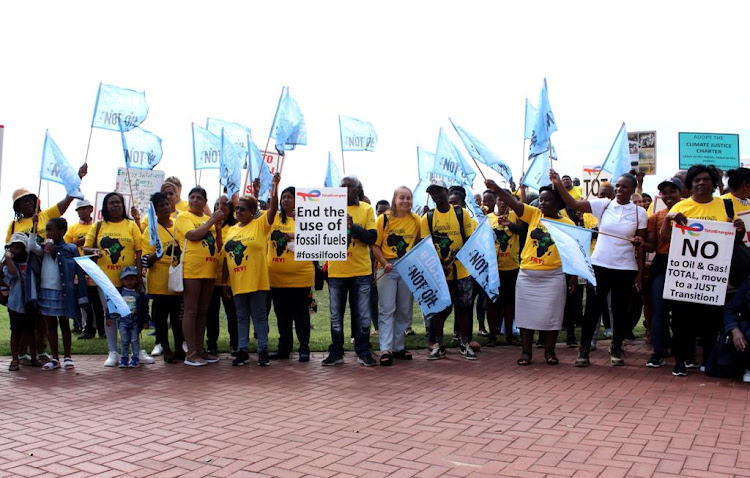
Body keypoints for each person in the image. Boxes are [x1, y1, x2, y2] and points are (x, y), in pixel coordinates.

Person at [551, 169, 647, 367]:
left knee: (620, 311)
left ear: (632, 190)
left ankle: (616, 348)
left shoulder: (640, 212)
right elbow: (574, 204)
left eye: (624, 187)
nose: (619, 189)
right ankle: (584, 350)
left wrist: (639, 272)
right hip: (600, 265)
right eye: (617, 186)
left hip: (626, 268)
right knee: (592, 309)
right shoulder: (603, 205)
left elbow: (642, 244)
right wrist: (559, 184)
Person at [662, 165, 744, 376]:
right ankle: (680, 361)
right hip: (686, 275)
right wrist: (668, 219)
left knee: (712, 322)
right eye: (696, 180)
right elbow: (665, 239)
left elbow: (731, 238)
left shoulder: (725, 205)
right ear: (691, 184)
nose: (701, 183)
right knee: (681, 321)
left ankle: (708, 360)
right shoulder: (681, 206)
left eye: (705, 179)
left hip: (714, 277)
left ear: (713, 183)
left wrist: (738, 228)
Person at [486, 180, 576, 366]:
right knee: (525, 316)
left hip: (553, 276)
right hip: (528, 274)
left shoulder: (567, 223)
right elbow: (514, 203)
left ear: (558, 203)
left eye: (548, 200)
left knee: (552, 316)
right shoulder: (534, 214)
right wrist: (498, 189)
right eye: (541, 200)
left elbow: (572, 253)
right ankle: (526, 353)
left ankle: (549, 353)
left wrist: (573, 276)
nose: (542, 203)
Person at [83, 192, 147, 367]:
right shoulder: (98, 226)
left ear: (123, 205)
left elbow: (139, 251)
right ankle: (113, 352)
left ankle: (136, 351)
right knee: (111, 315)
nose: (115, 205)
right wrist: (95, 251)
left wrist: (140, 277)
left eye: (118, 202)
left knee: (134, 315)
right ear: (105, 206)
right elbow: (86, 248)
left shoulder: (131, 225)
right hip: (106, 281)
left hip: (130, 281)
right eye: (111, 203)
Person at [223, 176, 279, 366]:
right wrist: (225, 282)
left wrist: (274, 187)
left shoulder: (260, 225)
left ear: (253, 212)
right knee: (241, 317)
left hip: (257, 280)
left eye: (243, 209)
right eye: (237, 208)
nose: (238, 211)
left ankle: (263, 350)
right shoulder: (231, 230)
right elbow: (226, 256)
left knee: (259, 316)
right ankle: (242, 350)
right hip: (238, 281)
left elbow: (273, 210)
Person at [323, 176, 378, 367]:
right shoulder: (329, 207)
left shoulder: (366, 209)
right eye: (342, 186)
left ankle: (363, 351)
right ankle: (336, 351)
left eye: (350, 186)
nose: (345, 189)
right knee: (336, 315)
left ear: (358, 189)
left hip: (360, 271)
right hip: (336, 271)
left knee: (363, 314)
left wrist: (352, 227)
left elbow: (372, 237)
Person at [422, 181, 477, 361]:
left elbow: (469, 240)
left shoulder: (461, 213)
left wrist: (456, 256)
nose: (436, 196)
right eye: (432, 194)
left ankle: (465, 344)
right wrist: (440, 264)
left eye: (439, 192)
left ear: (446, 192)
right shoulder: (428, 218)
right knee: (439, 309)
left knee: (464, 308)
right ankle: (438, 345)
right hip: (438, 272)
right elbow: (426, 247)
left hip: (461, 271)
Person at [29, 217, 88, 371]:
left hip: (63, 292)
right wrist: (34, 226)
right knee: (50, 325)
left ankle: (67, 356)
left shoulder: (70, 248)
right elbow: (31, 247)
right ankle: (55, 358)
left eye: (51, 229)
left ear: (62, 232)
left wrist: (56, 253)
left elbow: (75, 268)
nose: (48, 233)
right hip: (47, 291)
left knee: (64, 324)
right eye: (46, 229)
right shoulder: (44, 248)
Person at [174, 187, 224, 366]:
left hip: (209, 269)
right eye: (192, 197)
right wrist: (212, 221)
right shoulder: (183, 217)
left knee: (203, 311)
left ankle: (201, 349)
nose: (195, 200)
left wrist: (217, 227)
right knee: (191, 310)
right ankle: (191, 352)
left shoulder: (207, 219)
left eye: (199, 198)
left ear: (205, 202)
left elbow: (218, 245)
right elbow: (193, 235)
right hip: (192, 270)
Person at [372, 186, 421, 365]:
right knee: (387, 309)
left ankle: (398, 346)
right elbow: (375, 246)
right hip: (387, 268)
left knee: (404, 309)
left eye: (408, 198)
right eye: (402, 198)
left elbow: (417, 243)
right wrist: (385, 263)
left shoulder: (416, 220)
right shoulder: (383, 219)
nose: (406, 201)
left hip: (407, 269)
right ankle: (385, 348)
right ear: (394, 199)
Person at [267, 184, 314, 362]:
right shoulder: (274, 218)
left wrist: (301, 223)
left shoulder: (308, 218)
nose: (285, 200)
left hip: (301, 276)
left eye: (289, 197)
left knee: (301, 314)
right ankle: (284, 348)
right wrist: (274, 187)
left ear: (298, 200)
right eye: (283, 197)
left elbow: (317, 239)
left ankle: (304, 349)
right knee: (282, 315)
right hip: (277, 278)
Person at [644, 177, 683, 368]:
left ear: (681, 192)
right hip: (663, 263)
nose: (668, 195)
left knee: (681, 312)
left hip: (686, 265)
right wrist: (641, 242)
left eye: (672, 191)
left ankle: (683, 353)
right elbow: (652, 247)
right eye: (664, 192)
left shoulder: (693, 212)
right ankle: (658, 351)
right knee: (659, 309)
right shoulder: (655, 217)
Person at [141, 192, 184, 364]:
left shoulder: (178, 226)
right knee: (161, 319)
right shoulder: (150, 231)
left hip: (177, 280)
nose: (166, 207)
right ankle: (165, 348)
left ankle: (180, 347)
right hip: (159, 283)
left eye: (167, 204)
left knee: (178, 318)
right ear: (155, 210)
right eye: (161, 205)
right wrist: (157, 255)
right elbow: (145, 260)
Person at [5, 163, 87, 243]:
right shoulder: (13, 225)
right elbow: (8, 248)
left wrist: (78, 177)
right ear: (18, 207)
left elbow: (68, 198)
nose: (28, 203)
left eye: (30, 200)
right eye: (24, 202)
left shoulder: (47, 215)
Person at [484, 188, 522, 346]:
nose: (502, 202)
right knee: (492, 303)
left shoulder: (515, 216)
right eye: (500, 199)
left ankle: (509, 334)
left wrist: (509, 224)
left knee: (509, 304)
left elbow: (522, 231)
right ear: (496, 201)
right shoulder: (487, 219)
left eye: (506, 199)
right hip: (492, 269)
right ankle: (492, 335)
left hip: (511, 267)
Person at [64, 199, 103, 340]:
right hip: (78, 269)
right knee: (83, 300)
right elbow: (66, 246)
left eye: (84, 209)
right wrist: (77, 243)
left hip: (94, 267)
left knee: (97, 301)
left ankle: (102, 330)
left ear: (91, 209)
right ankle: (87, 329)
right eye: (79, 210)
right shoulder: (73, 228)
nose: (81, 212)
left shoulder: (98, 226)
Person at [207, 195, 238, 356]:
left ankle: (235, 344)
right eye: (217, 204)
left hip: (230, 279)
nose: (220, 207)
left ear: (231, 209)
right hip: (211, 277)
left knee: (232, 313)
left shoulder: (236, 227)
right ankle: (212, 343)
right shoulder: (210, 226)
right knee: (211, 313)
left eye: (224, 205)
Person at [3, 233, 35, 370]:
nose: (15, 250)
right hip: (15, 304)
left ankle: (34, 357)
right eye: (12, 247)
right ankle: (15, 359)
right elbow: (13, 274)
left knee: (30, 331)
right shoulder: (8, 264)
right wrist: (8, 259)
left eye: (18, 247)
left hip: (30, 301)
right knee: (15, 331)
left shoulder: (31, 263)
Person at [112, 267, 149, 368]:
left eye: (132, 279)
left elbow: (144, 308)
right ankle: (124, 358)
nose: (129, 282)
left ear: (137, 280)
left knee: (134, 340)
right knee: (124, 340)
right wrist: (109, 317)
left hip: (135, 321)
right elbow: (112, 305)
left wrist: (145, 321)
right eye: (126, 279)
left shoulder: (139, 294)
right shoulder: (119, 293)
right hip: (123, 321)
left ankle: (135, 358)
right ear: (122, 281)